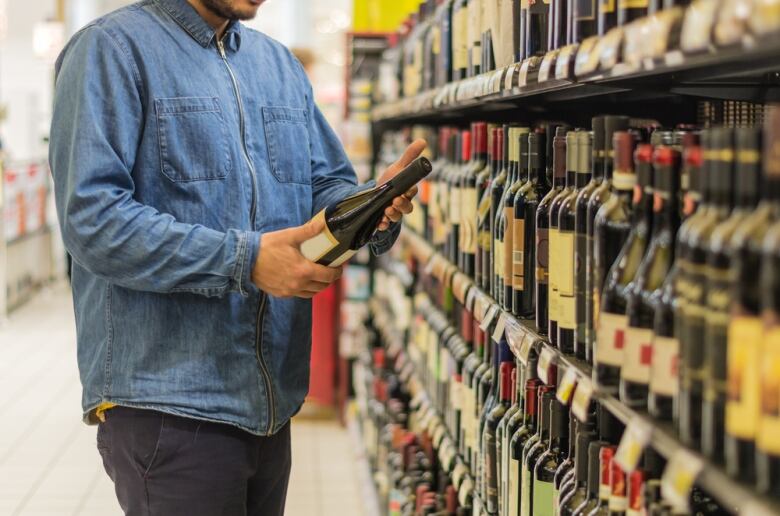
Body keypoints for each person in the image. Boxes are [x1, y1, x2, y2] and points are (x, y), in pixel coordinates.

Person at [48, 1, 424, 515]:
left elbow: (324, 185)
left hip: (271, 400)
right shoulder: (112, 50)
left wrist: (369, 207)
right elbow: (94, 221)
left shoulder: (278, 64)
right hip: (171, 403)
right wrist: (245, 260)